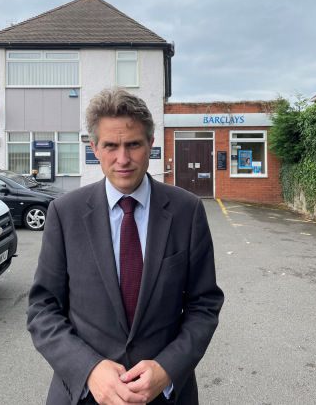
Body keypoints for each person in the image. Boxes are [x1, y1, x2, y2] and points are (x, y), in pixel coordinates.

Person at [27, 87, 224, 405]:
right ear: (94, 147)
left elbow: (204, 304)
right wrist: (88, 369)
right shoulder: (65, 213)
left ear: (150, 144)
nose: (123, 159)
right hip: (83, 395)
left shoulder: (187, 211)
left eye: (133, 144)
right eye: (111, 146)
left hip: (166, 394)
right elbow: (42, 309)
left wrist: (167, 369)